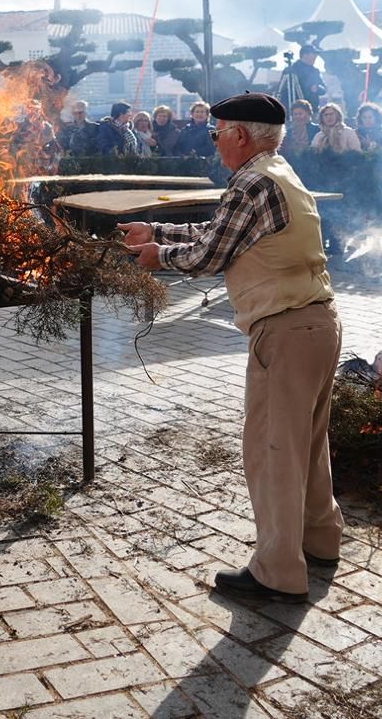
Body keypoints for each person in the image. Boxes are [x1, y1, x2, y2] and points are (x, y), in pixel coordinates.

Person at [121, 92, 342, 604]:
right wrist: (156, 229)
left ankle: (278, 572)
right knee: (307, 444)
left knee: (272, 451)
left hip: (285, 330)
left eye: (216, 131)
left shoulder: (251, 181)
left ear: (240, 135)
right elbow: (227, 234)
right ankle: (320, 540)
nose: (214, 139)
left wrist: (160, 254)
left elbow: (209, 254)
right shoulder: (278, 171)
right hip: (317, 322)